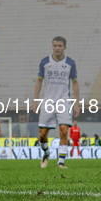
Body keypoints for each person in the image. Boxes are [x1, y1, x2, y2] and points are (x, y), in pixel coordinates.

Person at [35, 36, 79, 169]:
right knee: (42, 134)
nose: (57, 48)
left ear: (65, 47)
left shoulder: (70, 63)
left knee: (64, 130)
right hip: (48, 101)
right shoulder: (44, 62)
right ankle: (46, 153)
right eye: (55, 45)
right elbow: (39, 81)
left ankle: (61, 161)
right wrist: (35, 100)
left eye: (60, 46)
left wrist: (76, 103)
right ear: (52, 47)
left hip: (64, 101)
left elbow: (75, 83)